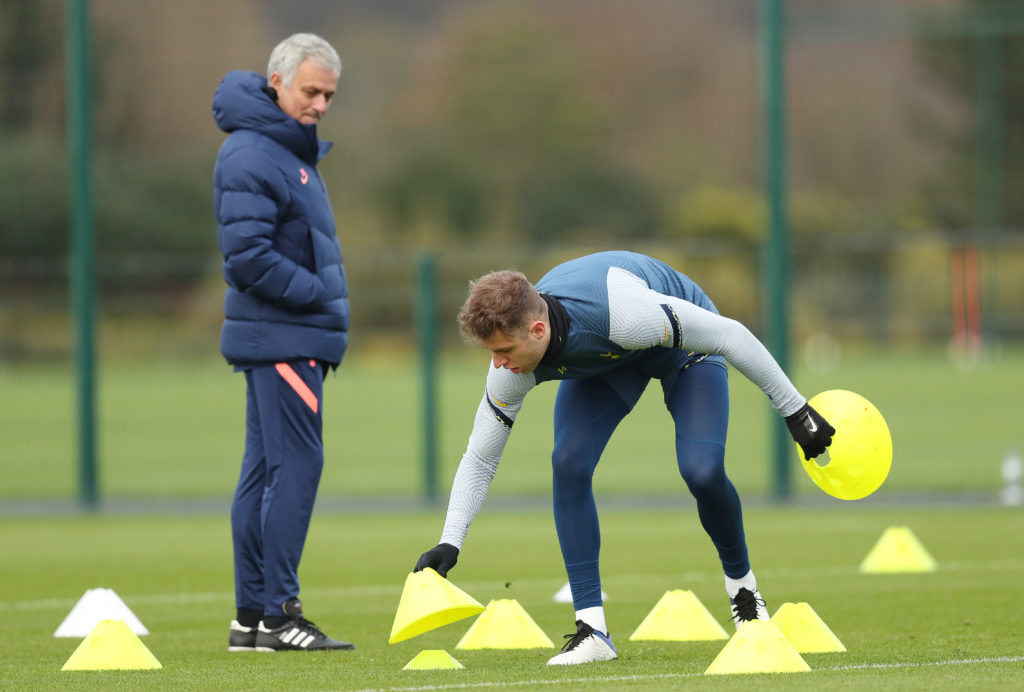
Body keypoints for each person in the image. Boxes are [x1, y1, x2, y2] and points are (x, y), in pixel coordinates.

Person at [414, 250, 834, 665]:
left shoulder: (625, 313)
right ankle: (592, 631)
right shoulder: (511, 368)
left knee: (702, 472)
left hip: (680, 346)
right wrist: (450, 541)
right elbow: (481, 458)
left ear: (537, 330)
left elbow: (732, 335)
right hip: (610, 360)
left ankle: (743, 590)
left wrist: (796, 411)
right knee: (569, 462)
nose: (498, 363)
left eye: (503, 350)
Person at [212, 33, 354, 652]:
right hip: (285, 338)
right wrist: (318, 293)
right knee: (297, 465)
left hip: (285, 337)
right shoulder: (253, 154)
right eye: (311, 91)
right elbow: (246, 257)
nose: (320, 104)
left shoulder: (285, 152)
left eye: (328, 94)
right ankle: (278, 614)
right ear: (277, 83)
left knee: (263, 472)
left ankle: (251, 617)